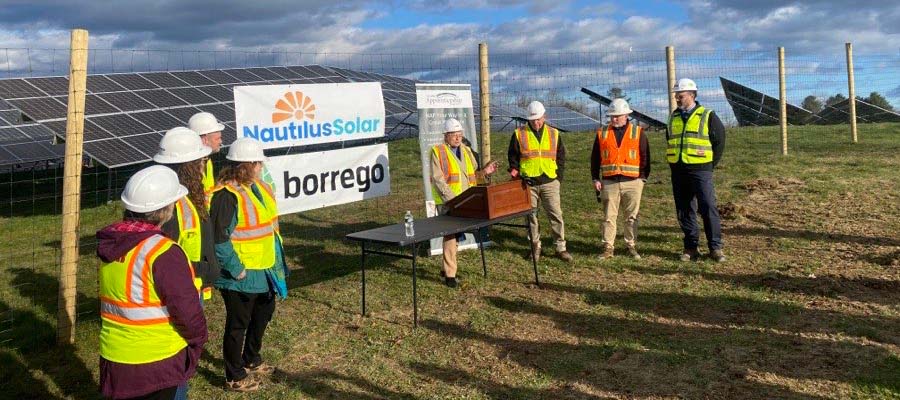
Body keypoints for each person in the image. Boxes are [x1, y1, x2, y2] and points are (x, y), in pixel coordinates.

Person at [96, 165, 207, 400]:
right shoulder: (163, 252)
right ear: (165, 210)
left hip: (116, 358)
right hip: (156, 362)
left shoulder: (113, 244)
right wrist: (198, 339)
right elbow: (185, 309)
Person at [210, 138, 288, 392]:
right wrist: (236, 268)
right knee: (237, 325)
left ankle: (251, 358)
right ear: (248, 164)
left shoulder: (260, 187)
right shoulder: (226, 196)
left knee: (264, 313)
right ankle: (234, 374)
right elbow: (219, 237)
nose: (260, 166)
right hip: (241, 274)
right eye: (258, 162)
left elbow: (269, 227)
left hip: (264, 269)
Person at [154, 127, 220, 303]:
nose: (203, 166)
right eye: (201, 161)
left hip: (190, 284)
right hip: (181, 290)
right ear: (189, 166)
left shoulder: (189, 197)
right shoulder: (169, 207)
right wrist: (202, 268)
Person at [430, 118, 498, 287]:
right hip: (449, 201)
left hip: (466, 201)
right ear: (446, 136)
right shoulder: (437, 152)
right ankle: (450, 275)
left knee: (456, 235)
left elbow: (473, 175)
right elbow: (438, 181)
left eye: (459, 134)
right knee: (451, 235)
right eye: (454, 134)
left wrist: (485, 172)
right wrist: (453, 200)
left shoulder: (467, 151)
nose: (457, 137)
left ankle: (447, 267)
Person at [667, 78, 726, 262]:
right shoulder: (673, 117)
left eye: (680, 95)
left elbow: (719, 141)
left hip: (701, 170)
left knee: (708, 206)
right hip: (678, 169)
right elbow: (669, 140)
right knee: (684, 209)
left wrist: (709, 165)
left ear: (692, 95)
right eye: (676, 95)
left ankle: (715, 247)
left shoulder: (707, 115)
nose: (677, 98)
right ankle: (690, 247)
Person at [507, 101, 573, 263]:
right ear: (528, 119)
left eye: (539, 119)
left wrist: (558, 178)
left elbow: (561, 157)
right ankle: (535, 247)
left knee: (556, 214)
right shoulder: (519, 134)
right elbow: (513, 158)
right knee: (531, 216)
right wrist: (517, 176)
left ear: (545, 117)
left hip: (550, 180)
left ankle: (560, 248)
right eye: (533, 120)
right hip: (528, 183)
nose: (536, 122)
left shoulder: (554, 133)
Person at [591, 98, 651, 260]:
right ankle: (608, 248)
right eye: (612, 116)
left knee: (631, 216)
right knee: (609, 217)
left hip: (633, 182)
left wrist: (642, 179)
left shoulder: (638, 132)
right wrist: (595, 178)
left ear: (626, 115)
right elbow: (595, 157)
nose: (614, 119)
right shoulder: (602, 133)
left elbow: (645, 156)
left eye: (617, 116)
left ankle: (630, 246)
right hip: (609, 181)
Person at [188, 112, 223, 205]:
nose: (221, 142)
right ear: (204, 140)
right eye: (218, 138)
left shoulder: (207, 161)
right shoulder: (190, 168)